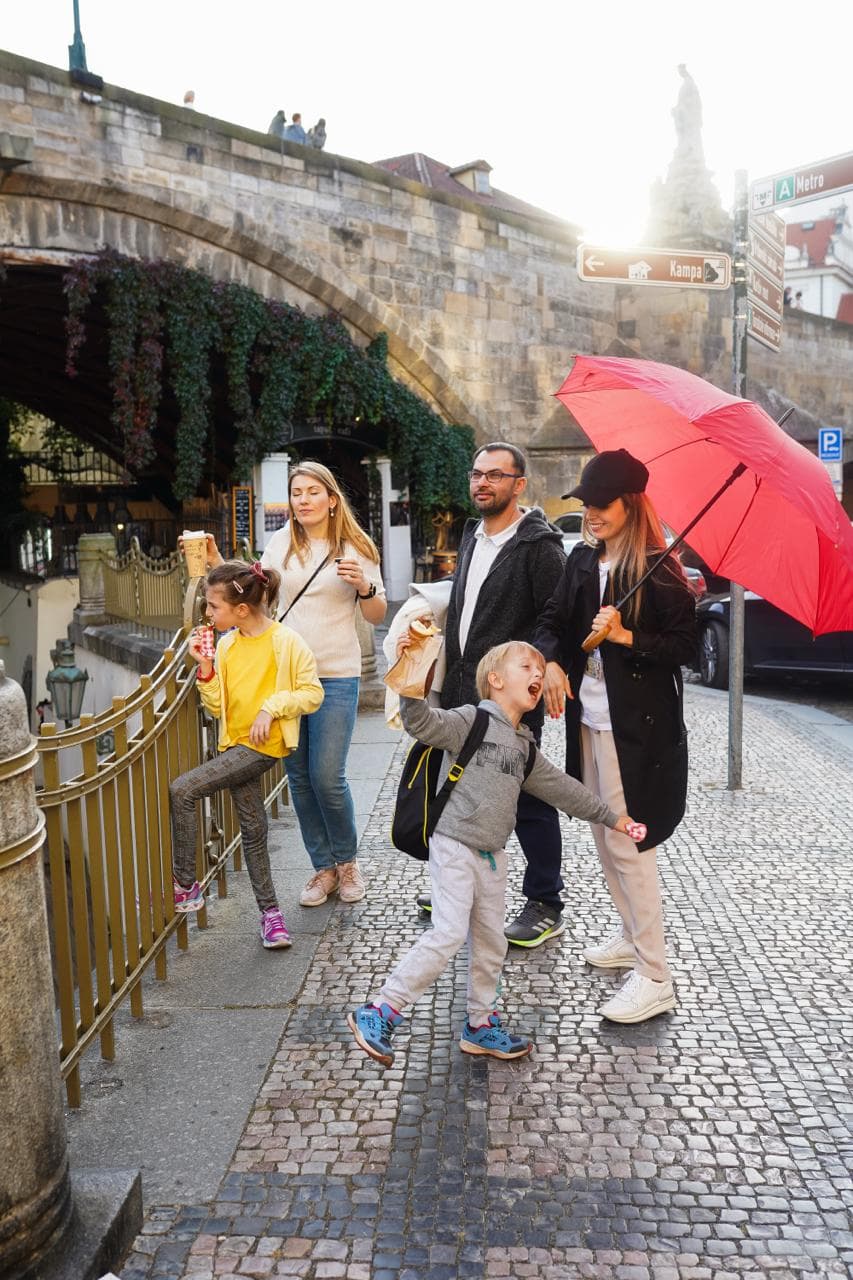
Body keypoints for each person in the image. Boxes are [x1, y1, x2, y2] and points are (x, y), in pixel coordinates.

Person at [348, 641, 642, 1067]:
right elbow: (423, 723)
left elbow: (563, 788)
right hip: (452, 844)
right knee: (448, 932)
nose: (538, 674)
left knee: (490, 944)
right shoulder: (470, 721)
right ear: (496, 680)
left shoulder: (524, 747)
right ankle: (381, 1010)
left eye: (541, 668)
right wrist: (414, 683)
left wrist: (614, 818)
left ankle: (480, 1025)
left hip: (492, 856)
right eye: (527, 666)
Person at [535, 449, 697, 1024]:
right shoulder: (583, 560)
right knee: (607, 839)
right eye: (586, 505)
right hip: (589, 721)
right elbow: (552, 623)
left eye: (601, 506)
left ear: (630, 506)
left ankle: (655, 975)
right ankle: (631, 936)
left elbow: (687, 648)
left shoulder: (661, 568)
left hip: (639, 732)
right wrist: (552, 663)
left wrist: (627, 637)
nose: (591, 515)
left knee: (630, 845)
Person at [201, 466, 386, 906]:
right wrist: (214, 562)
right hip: (284, 674)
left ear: (332, 499)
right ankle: (322, 869)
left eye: (312, 493)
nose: (302, 501)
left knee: (327, 776)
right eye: (296, 493)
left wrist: (364, 585)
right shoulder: (282, 542)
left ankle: (347, 863)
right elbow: (252, 593)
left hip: (336, 673)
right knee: (299, 778)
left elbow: (377, 616)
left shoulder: (356, 546)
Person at [416, 443, 568, 947]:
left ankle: (546, 900)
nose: (482, 483)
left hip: (511, 696)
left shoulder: (540, 546)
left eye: (495, 476)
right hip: (465, 687)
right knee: (459, 788)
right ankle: (457, 886)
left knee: (525, 792)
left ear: (518, 484)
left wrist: (540, 670)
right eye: (476, 474)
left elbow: (555, 618)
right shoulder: (471, 534)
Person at [170, 560, 324, 948]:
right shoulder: (227, 646)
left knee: (183, 790)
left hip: (262, 748)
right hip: (234, 746)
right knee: (254, 833)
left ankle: (185, 885)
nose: (208, 614)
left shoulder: (286, 642)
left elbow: (313, 693)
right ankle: (272, 918)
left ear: (241, 609)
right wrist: (205, 668)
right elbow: (219, 708)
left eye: (213, 606)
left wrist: (272, 706)